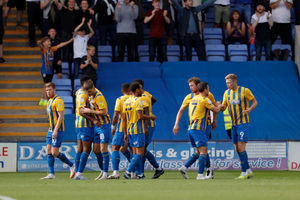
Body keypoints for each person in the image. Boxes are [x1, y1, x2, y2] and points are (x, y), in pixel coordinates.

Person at [173, 77, 217, 179]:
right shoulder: (189, 97)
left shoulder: (208, 95)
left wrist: (214, 121)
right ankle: (207, 171)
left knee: (201, 149)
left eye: (192, 85)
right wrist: (176, 124)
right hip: (198, 126)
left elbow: (214, 108)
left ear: (198, 85)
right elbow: (181, 110)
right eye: (189, 86)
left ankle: (190, 168)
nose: (190, 88)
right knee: (202, 149)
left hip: (206, 126)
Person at [220, 73, 258, 179]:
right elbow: (224, 106)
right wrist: (220, 106)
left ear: (235, 82)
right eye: (226, 83)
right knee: (237, 148)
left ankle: (243, 173)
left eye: (229, 82)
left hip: (243, 123)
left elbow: (255, 102)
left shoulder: (245, 91)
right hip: (234, 125)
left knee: (241, 147)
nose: (227, 85)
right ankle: (249, 170)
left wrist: (250, 109)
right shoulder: (226, 93)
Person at [185, 82, 221, 180]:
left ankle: (190, 169)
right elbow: (216, 110)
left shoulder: (193, 99)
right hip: (199, 129)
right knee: (203, 151)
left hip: (191, 128)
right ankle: (200, 175)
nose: (209, 90)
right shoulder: (205, 100)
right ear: (205, 89)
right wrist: (219, 105)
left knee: (200, 151)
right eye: (208, 88)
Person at [41, 82, 75, 179]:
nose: (48, 92)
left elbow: (61, 116)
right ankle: (51, 174)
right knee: (48, 150)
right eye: (46, 90)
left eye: (50, 90)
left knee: (54, 152)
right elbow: (42, 105)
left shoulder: (58, 101)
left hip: (57, 130)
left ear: (54, 90)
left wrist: (55, 130)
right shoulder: (49, 101)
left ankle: (72, 165)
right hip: (50, 129)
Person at [123, 82, 157, 179]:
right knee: (140, 153)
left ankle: (140, 174)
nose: (142, 90)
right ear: (137, 90)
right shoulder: (139, 101)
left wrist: (125, 133)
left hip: (130, 129)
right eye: (141, 89)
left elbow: (124, 118)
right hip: (138, 129)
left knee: (135, 152)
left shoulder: (127, 101)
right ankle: (128, 171)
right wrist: (151, 117)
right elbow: (140, 116)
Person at [134, 79, 164, 179]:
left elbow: (146, 113)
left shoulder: (143, 97)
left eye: (139, 87)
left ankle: (143, 173)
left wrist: (146, 126)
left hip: (147, 125)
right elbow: (154, 100)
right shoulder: (147, 94)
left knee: (142, 150)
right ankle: (147, 171)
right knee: (142, 150)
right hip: (144, 125)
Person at [82, 80, 111, 180]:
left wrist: (89, 110)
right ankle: (103, 171)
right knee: (96, 150)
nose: (88, 94)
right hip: (96, 126)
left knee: (103, 149)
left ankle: (106, 173)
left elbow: (104, 112)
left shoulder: (99, 97)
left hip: (103, 125)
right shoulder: (90, 95)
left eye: (89, 91)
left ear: (93, 87)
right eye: (86, 92)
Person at [74, 76, 101, 180]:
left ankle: (77, 172)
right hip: (84, 124)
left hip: (79, 123)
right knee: (87, 149)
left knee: (80, 148)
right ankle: (79, 173)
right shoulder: (82, 94)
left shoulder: (79, 92)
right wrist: (93, 119)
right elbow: (81, 111)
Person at [37, 36, 73, 106]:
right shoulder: (43, 50)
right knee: (46, 85)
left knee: (47, 85)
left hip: (50, 70)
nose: (49, 42)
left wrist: (70, 41)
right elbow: (39, 43)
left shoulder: (52, 49)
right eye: (47, 41)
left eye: (50, 41)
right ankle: (44, 99)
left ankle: (43, 99)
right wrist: (42, 41)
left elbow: (60, 45)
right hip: (45, 70)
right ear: (44, 43)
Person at [108, 83, 132, 179]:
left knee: (115, 148)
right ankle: (135, 171)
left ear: (122, 91)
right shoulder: (135, 99)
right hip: (134, 127)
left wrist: (112, 127)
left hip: (122, 127)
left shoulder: (120, 99)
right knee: (130, 149)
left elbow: (115, 114)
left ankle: (116, 172)